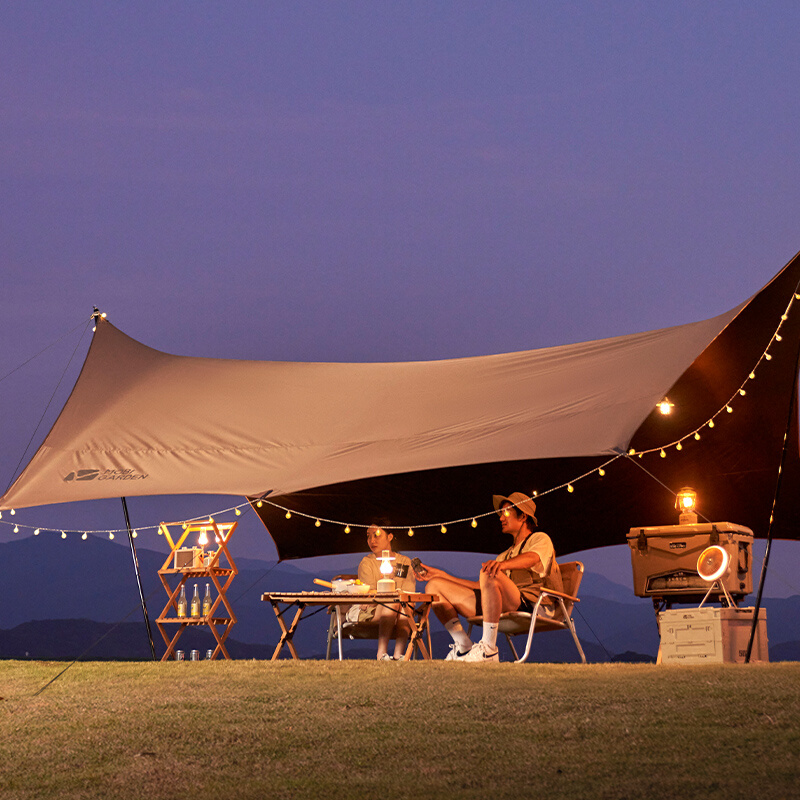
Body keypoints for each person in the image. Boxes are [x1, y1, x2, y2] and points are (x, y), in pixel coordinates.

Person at [416, 492, 562, 662]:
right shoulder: (505, 555)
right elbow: (481, 585)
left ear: (523, 516)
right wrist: (443, 575)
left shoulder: (540, 538)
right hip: (502, 604)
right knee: (434, 586)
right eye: (501, 514)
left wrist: (501, 566)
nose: (501, 518)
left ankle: (489, 649)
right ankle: (463, 646)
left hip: (532, 604)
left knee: (489, 570)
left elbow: (533, 557)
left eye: (506, 513)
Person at [349, 521, 416, 661]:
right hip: (370, 608)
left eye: (377, 535)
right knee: (392, 603)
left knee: (406, 606)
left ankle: (399, 654)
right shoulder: (367, 562)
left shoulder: (403, 562)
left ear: (390, 536)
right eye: (369, 536)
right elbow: (368, 591)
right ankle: (381, 653)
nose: (372, 540)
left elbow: (409, 591)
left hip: (399, 607)